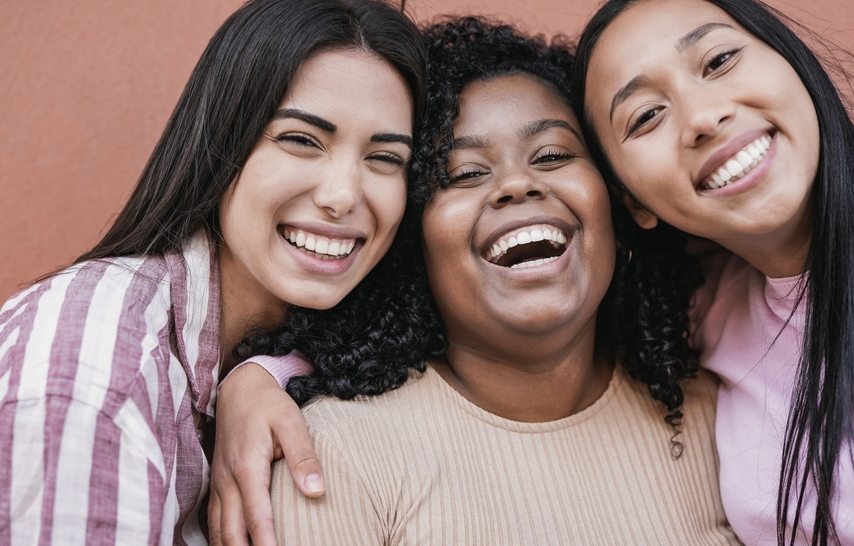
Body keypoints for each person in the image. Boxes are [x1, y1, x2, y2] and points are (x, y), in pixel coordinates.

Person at [220, 16, 737, 545]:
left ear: (619, 207)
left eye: (553, 156)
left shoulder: (726, 422)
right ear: (412, 246)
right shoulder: (334, 455)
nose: (516, 184)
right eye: (464, 173)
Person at [0, 0, 427, 543]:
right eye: (300, 140)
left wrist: (266, 372)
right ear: (222, 141)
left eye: (385, 158)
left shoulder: (324, 328)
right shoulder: (95, 364)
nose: (342, 196)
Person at [574, 0, 854, 543]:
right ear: (634, 204)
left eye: (719, 60)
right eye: (646, 116)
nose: (702, 117)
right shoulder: (700, 320)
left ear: (794, 64)